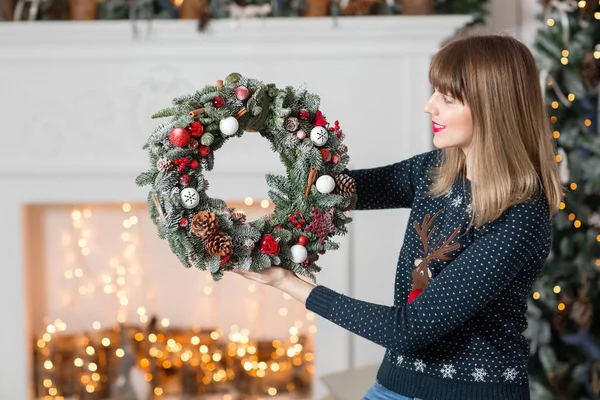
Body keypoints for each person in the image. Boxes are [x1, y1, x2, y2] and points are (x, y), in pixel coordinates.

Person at [233, 34, 563, 400]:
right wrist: (275, 125)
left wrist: (287, 283)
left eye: (447, 98)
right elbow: (334, 190)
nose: (429, 106)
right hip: (394, 385)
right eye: (434, 92)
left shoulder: (521, 216)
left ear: (491, 108)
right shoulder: (437, 170)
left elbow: (408, 331)